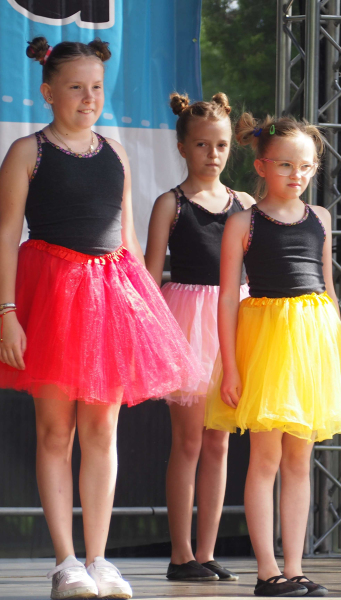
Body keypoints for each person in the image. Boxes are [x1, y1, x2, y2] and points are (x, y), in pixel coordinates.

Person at [0, 38, 199, 600]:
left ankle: (99, 559)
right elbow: (6, 235)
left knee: (102, 430)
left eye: (96, 87)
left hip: (110, 297)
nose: (89, 97)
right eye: (75, 87)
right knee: (54, 431)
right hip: (52, 296)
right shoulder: (28, 151)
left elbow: (128, 239)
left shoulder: (116, 152)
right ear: (48, 92)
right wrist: (7, 311)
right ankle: (66, 562)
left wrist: (149, 313)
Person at [205, 113, 341, 597]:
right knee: (265, 458)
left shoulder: (320, 218)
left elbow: (328, 289)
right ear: (261, 165)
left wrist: (335, 357)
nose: (297, 174)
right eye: (285, 165)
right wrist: (231, 368)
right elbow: (227, 298)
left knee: (299, 458)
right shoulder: (243, 221)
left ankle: (295, 568)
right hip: (267, 343)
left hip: (312, 343)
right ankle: (267, 571)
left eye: (306, 166)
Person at [145, 91, 254, 583]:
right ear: (183, 148)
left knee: (219, 443)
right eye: (203, 145)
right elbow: (151, 277)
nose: (213, 154)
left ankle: (206, 552)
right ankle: (180, 554)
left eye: (222, 145)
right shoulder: (170, 204)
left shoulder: (245, 204)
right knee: (188, 441)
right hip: (186, 322)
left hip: (233, 321)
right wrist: (151, 336)